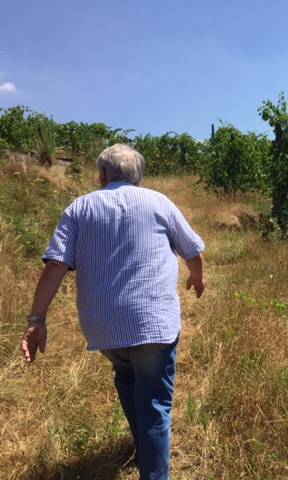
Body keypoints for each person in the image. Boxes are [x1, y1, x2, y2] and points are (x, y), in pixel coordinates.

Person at [21, 143, 205, 480]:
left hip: (104, 328)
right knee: (155, 404)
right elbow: (192, 249)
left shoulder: (79, 208)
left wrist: (37, 320)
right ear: (139, 177)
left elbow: (55, 266)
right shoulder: (158, 202)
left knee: (126, 375)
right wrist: (197, 276)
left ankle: (143, 446)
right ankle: (154, 469)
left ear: (102, 175)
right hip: (154, 325)